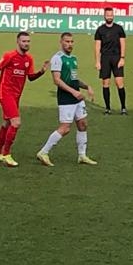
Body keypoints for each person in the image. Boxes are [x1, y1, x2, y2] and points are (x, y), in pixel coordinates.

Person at [0, 32, 49, 167]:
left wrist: (41, 72)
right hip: (5, 93)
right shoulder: (9, 56)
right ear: (18, 42)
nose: (26, 44)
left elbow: (30, 77)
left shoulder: (29, 59)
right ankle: (6, 154)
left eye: (28, 41)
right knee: (16, 122)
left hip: (16, 96)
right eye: (24, 41)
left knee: (7, 123)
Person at [35, 33, 97, 167]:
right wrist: (73, 92)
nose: (70, 44)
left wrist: (87, 86)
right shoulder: (57, 58)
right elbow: (57, 80)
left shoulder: (73, 59)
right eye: (67, 42)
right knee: (65, 128)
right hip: (66, 98)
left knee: (83, 124)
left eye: (71, 42)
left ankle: (82, 155)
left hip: (77, 98)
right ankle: (43, 152)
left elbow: (74, 79)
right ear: (61, 42)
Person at [94, 7, 128, 115]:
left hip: (117, 57)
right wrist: (97, 61)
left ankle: (123, 108)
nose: (109, 17)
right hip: (105, 58)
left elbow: (123, 43)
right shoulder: (100, 30)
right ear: (104, 16)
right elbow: (97, 46)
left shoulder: (119, 29)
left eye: (111, 15)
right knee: (105, 83)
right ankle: (107, 108)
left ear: (113, 16)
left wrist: (122, 58)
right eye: (107, 15)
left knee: (119, 83)